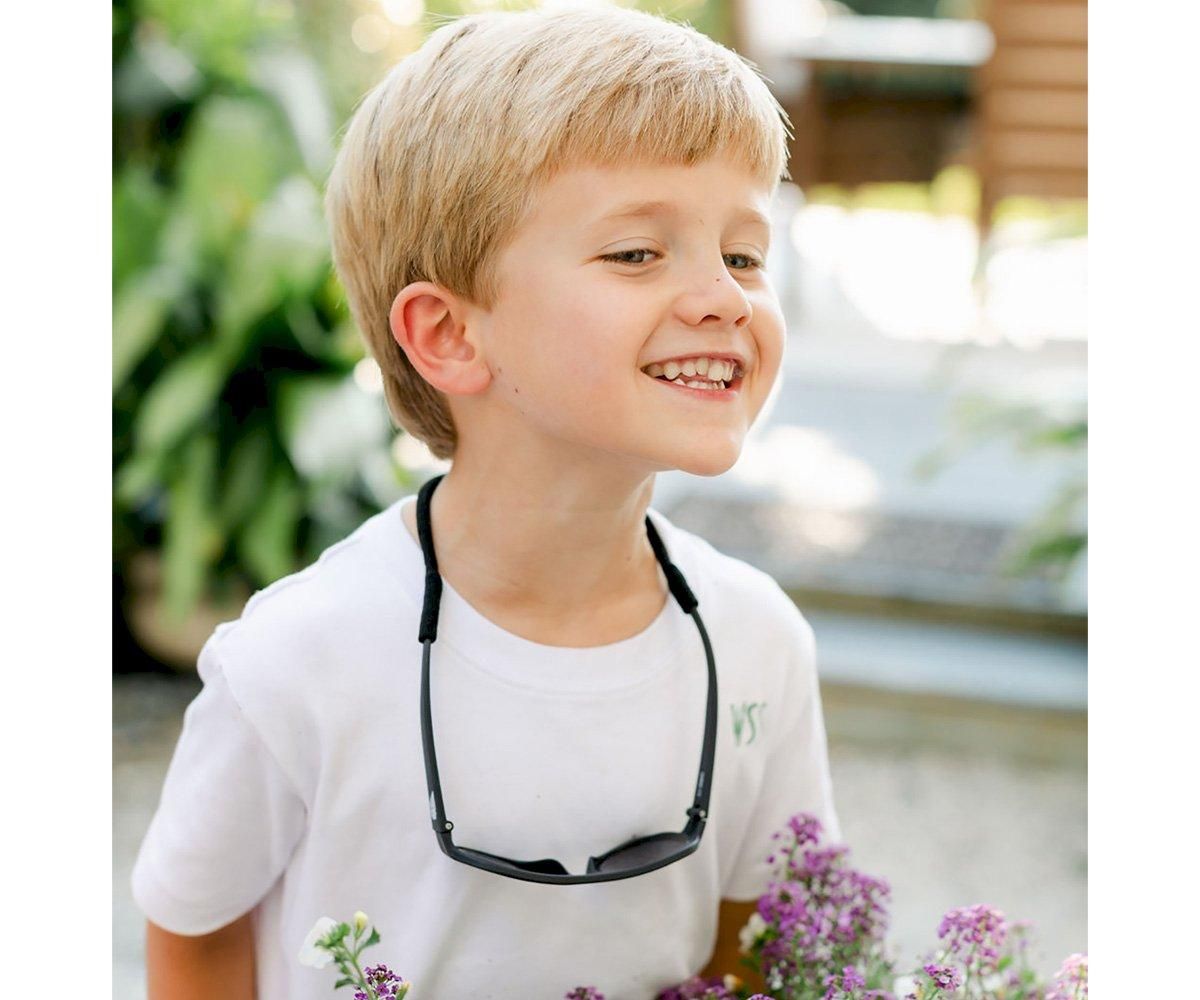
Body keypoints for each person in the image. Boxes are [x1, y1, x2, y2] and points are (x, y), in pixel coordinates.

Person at [132, 3, 842, 997]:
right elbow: (194, 925)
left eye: (744, 254)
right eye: (638, 251)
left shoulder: (761, 641)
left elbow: (760, 949)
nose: (722, 296)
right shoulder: (297, 660)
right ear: (452, 335)